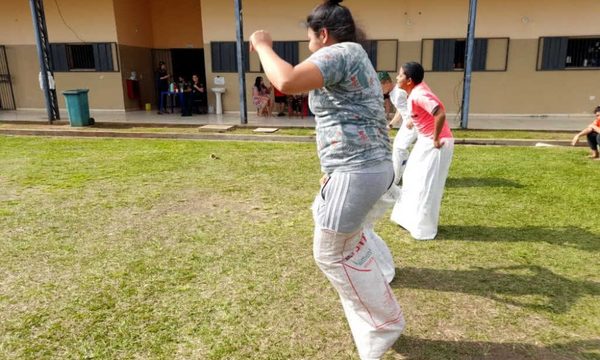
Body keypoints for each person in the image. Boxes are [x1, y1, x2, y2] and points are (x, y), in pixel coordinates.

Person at [250, 1, 404, 359]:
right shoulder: (354, 55)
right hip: (362, 167)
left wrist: (262, 45)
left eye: (309, 40)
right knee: (338, 226)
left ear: (323, 34)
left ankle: (385, 322)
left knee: (330, 253)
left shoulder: (341, 52)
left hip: (359, 169)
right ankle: (380, 271)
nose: (308, 48)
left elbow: (285, 81)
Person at [390, 62, 454, 240]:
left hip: (437, 144)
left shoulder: (419, 94)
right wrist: (412, 120)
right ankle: (407, 219)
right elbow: (420, 113)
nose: (397, 78)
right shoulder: (414, 92)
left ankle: (423, 228)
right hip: (425, 141)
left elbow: (439, 113)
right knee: (411, 177)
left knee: (427, 184)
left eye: (400, 75)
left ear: (409, 80)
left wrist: (435, 138)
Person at [384, 82, 417, 184]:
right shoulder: (393, 93)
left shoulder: (399, 92)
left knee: (399, 148)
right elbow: (400, 110)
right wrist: (391, 125)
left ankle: (395, 179)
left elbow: (414, 103)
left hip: (412, 124)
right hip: (407, 123)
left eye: (379, 86)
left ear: (386, 83)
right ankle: (402, 174)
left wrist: (413, 118)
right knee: (399, 148)